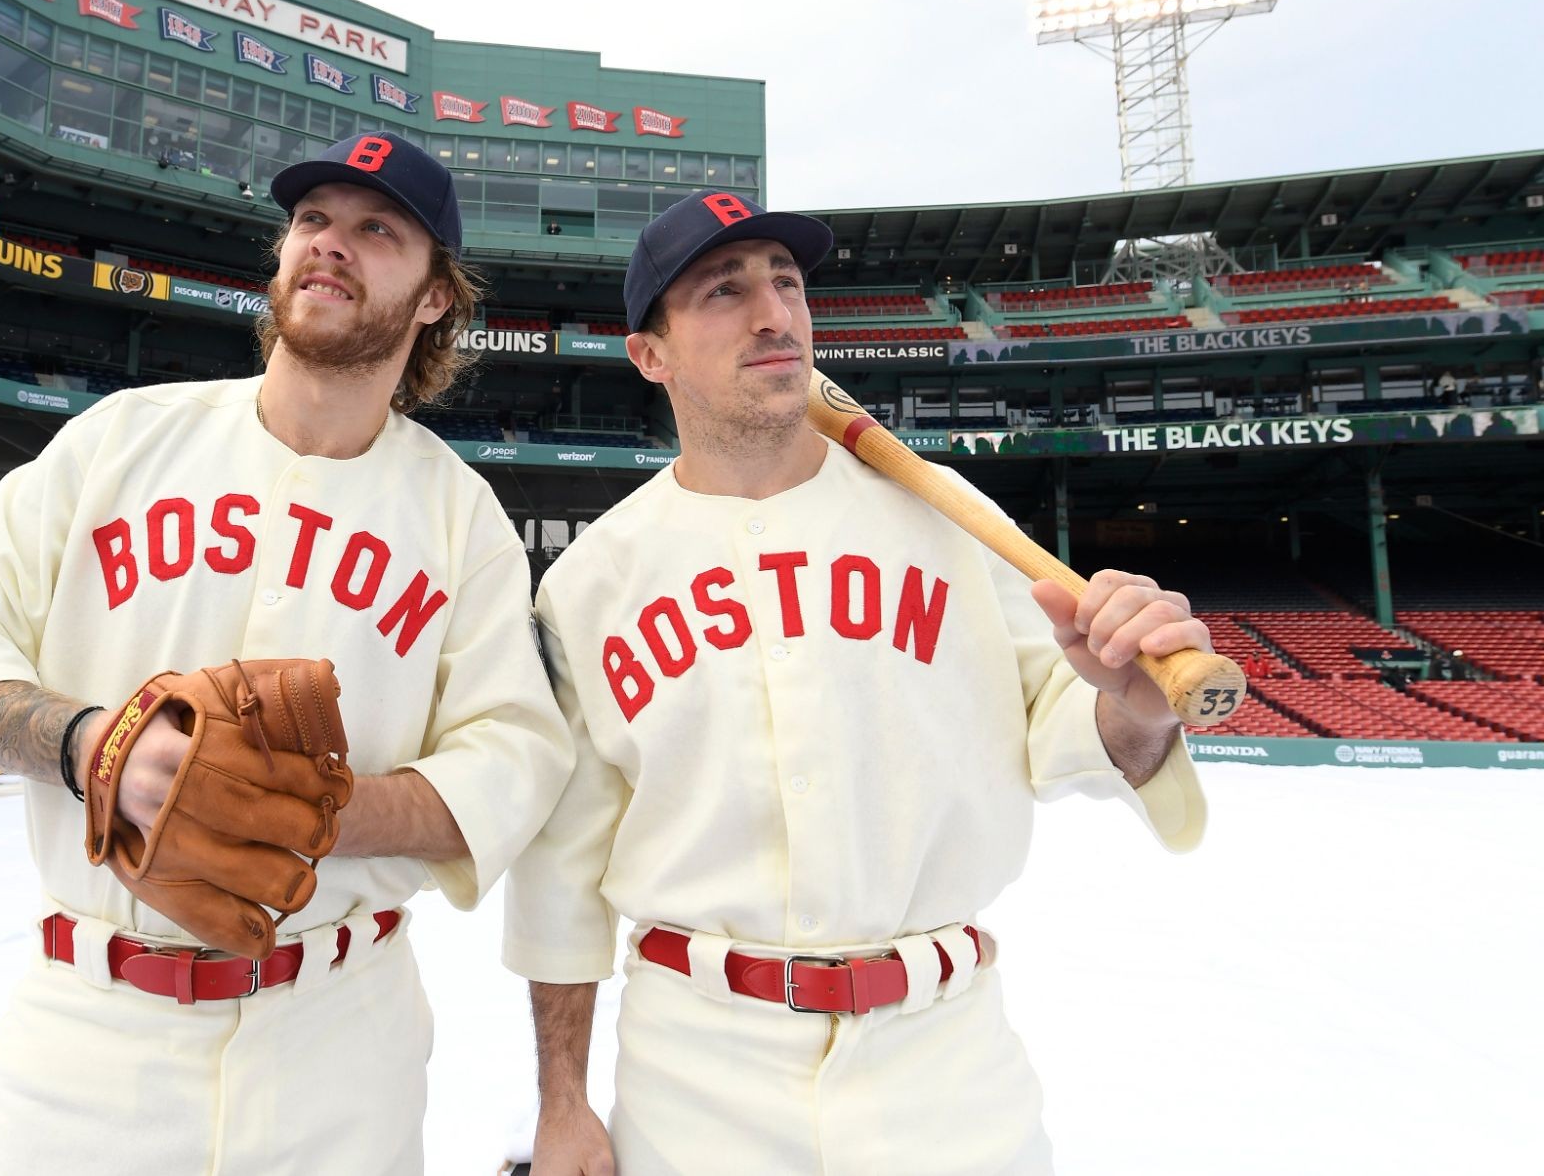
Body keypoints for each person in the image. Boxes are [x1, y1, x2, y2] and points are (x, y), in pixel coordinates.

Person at [0, 131, 571, 1174]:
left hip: (340, 1045)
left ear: (437, 296)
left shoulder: (459, 515)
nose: (329, 243)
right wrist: (96, 747)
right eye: (311, 220)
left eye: (376, 230)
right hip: (86, 1039)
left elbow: (512, 759)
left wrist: (311, 812)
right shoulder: (120, 439)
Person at [505, 192, 1209, 1176]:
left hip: (947, 1071)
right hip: (697, 1076)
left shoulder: (947, 516)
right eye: (723, 290)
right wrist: (562, 1102)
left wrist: (1137, 709)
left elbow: (1074, 728)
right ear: (649, 354)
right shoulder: (589, 581)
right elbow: (560, 872)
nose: (773, 314)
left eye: (787, 283)